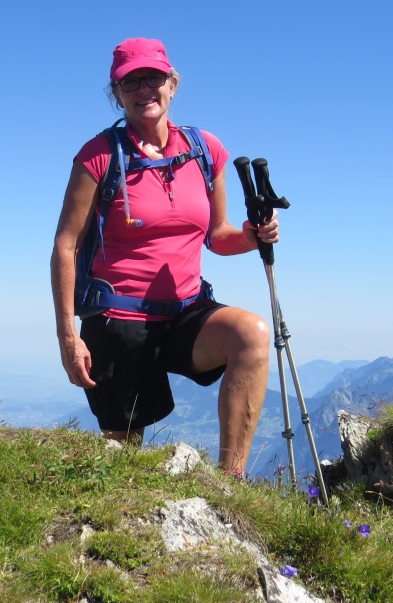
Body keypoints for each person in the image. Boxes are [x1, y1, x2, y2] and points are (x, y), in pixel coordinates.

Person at [50, 37, 279, 474]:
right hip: (119, 319)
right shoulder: (99, 156)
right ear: (116, 94)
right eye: (130, 82)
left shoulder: (204, 149)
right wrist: (68, 336)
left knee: (250, 334)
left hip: (186, 311)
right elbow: (66, 244)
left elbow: (217, 235)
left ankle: (230, 482)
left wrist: (251, 237)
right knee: (122, 462)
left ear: (173, 84)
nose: (143, 89)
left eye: (153, 78)